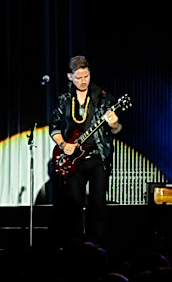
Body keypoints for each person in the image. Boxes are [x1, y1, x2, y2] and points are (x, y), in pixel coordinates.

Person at [49, 55, 122, 246]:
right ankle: (75, 246)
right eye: (79, 77)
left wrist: (114, 124)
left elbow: (116, 129)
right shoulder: (64, 99)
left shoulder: (103, 97)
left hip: (98, 157)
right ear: (69, 77)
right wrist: (64, 145)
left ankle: (98, 247)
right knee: (74, 205)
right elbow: (54, 128)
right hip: (74, 159)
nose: (83, 81)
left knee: (98, 205)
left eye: (86, 76)